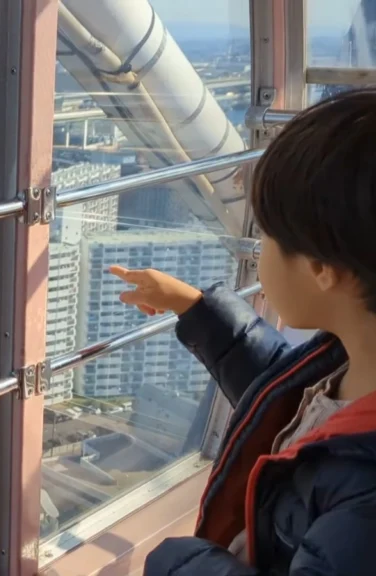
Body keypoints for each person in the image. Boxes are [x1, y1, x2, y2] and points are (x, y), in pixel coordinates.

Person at [111, 89, 376, 576]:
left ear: (322, 268)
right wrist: (197, 309)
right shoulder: (353, 358)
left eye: (268, 237)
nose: (258, 251)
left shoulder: (364, 501)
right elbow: (284, 395)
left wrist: (183, 564)